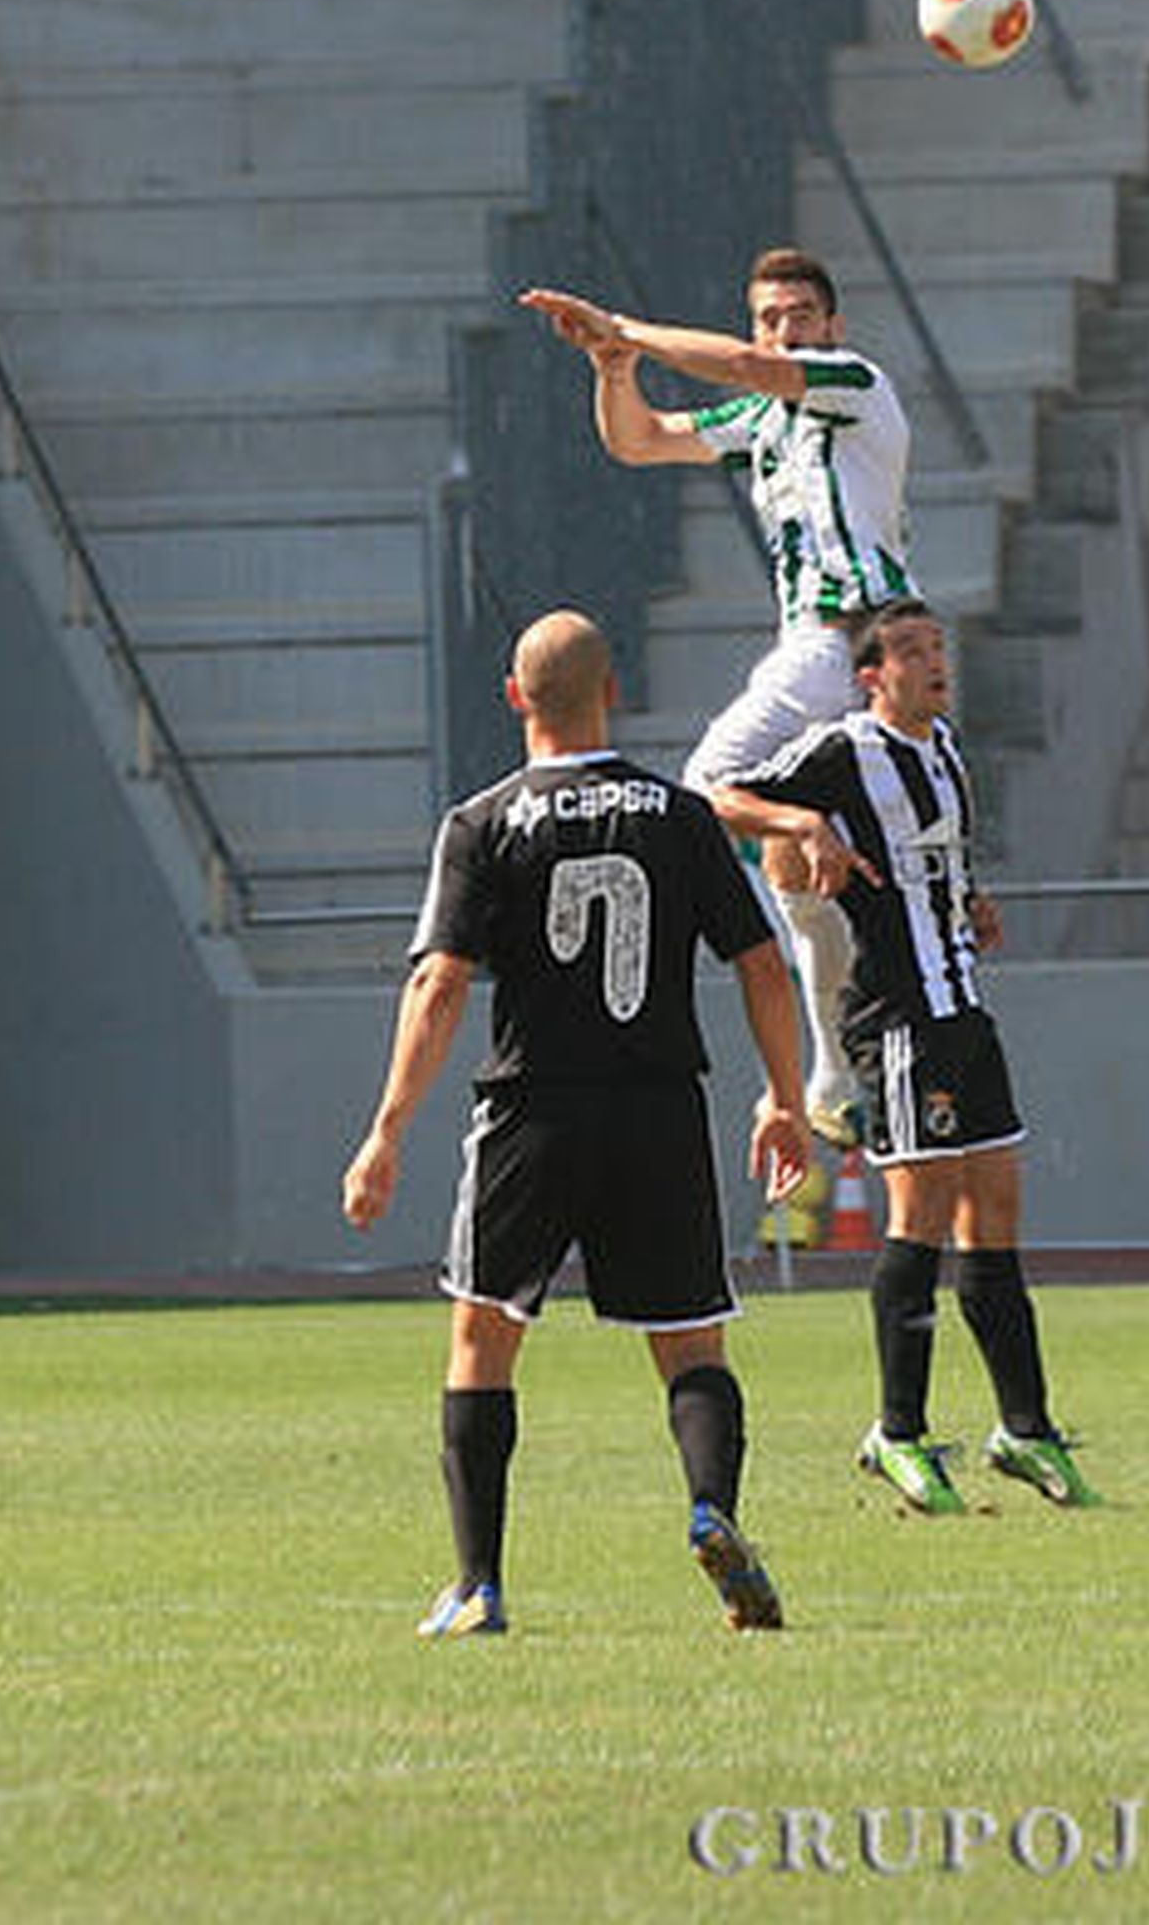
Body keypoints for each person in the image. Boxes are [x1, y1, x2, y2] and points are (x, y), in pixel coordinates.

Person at [342, 608, 810, 1636]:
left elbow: (441, 986)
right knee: (692, 1344)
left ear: (515, 698)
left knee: (482, 1336)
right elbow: (762, 967)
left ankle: (479, 1585)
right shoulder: (682, 816)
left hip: (534, 1108)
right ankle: (711, 1510)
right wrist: (783, 1096)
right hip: (658, 1107)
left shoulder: (482, 822)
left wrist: (387, 1130)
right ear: (616, 690)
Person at [519, 247, 917, 1153]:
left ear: (833, 327)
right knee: (800, 879)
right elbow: (639, 440)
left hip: (849, 635)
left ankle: (799, 912)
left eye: (801, 314)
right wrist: (613, 369)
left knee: (709, 784)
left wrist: (628, 329)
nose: (785, 329)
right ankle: (840, 1071)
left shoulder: (851, 383)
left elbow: (743, 367)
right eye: (770, 316)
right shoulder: (763, 422)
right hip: (826, 655)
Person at [709, 599, 1101, 1517]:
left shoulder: (946, 750)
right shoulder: (844, 750)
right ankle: (898, 1431)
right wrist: (800, 829)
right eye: (913, 651)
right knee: (919, 1209)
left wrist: (975, 898)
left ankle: (1025, 1428)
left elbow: (939, 862)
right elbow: (717, 793)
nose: (936, 663)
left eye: (939, 648)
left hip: (962, 1006)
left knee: (996, 1205)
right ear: (872, 675)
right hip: (894, 1017)